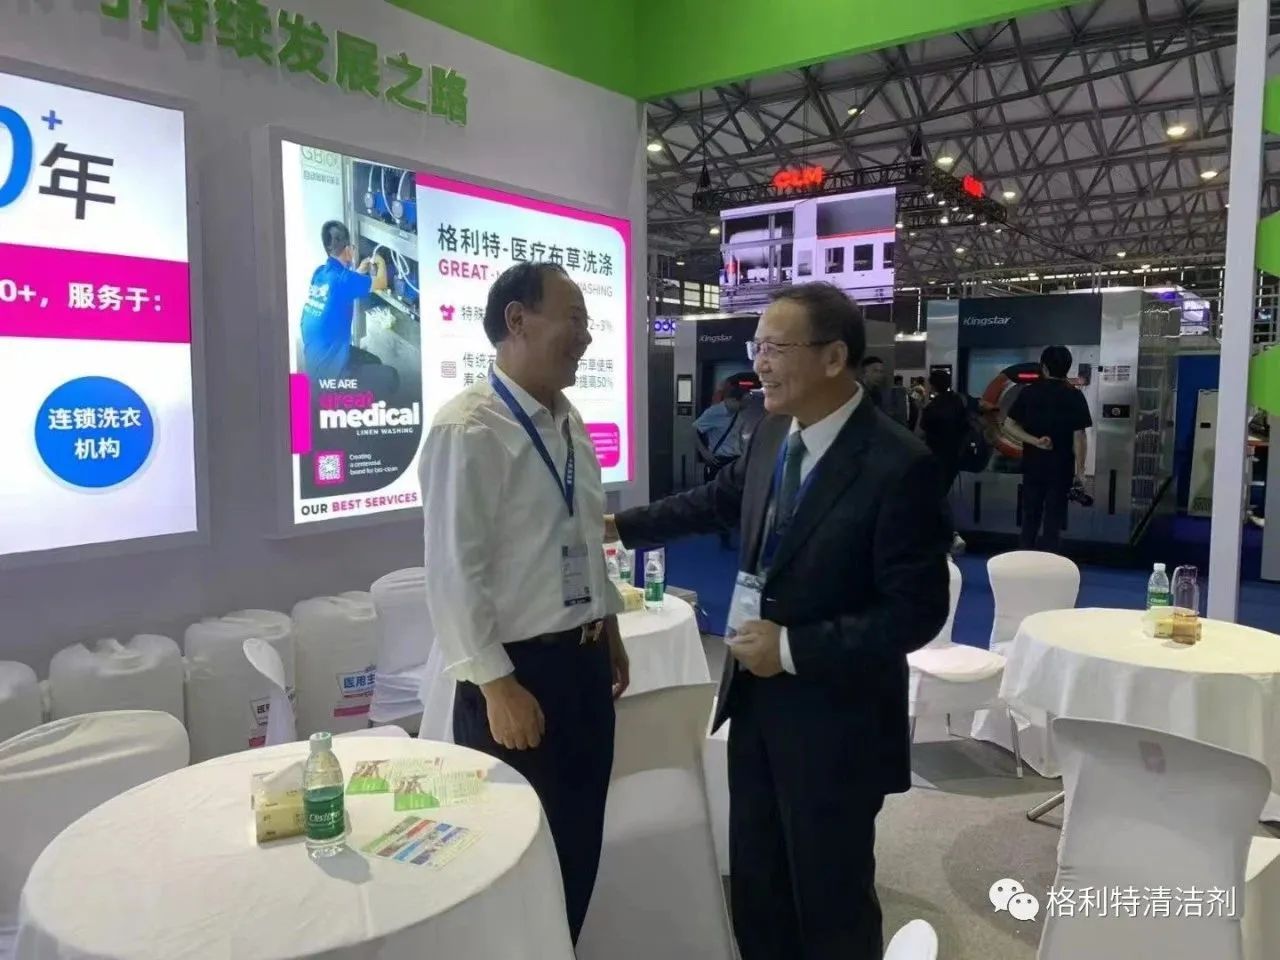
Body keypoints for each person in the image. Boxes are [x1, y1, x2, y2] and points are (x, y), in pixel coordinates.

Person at [606, 282, 951, 960]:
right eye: (756, 347)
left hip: (838, 720)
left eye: (775, 347)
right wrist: (620, 525)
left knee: (829, 901)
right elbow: (717, 500)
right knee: (759, 887)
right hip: (757, 702)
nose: (759, 363)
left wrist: (793, 648)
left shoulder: (899, 465)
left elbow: (916, 611)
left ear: (833, 358)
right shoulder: (772, 432)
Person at [417, 261, 630, 943]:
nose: (586, 337)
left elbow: (580, 537)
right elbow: (454, 572)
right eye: (574, 319)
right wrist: (496, 685)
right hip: (518, 679)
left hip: (582, 669)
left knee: (576, 846)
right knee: (516, 861)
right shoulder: (470, 428)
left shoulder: (568, 422)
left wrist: (606, 623)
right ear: (517, 320)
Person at [1003, 345, 1093, 552]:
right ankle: (1049, 563)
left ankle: (1024, 559)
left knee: (1030, 518)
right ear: (1067, 367)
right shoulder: (1074, 395)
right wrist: (1081, 472)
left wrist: (1035, 441)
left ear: (1043, 367)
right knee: (1053, 520)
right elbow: (1079, 436)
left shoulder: (1029, 392)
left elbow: (1009, 425)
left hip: (1033, 465)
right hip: (1061, 467)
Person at [300, 220, 392, 385]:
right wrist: (381, 261)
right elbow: (382, 282)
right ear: (348, 249)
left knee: (374, 360)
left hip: (315, 362)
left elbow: (341, 288)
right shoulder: (345, 280)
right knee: (391, 377)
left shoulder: (319, 273)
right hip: (331, 377)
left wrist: (359, 271)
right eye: (353, 248)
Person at [694, 377, 747, 476]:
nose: (743, 408)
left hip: (736, 460)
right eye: (741, 405)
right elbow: (693, 430)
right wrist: (704, 452)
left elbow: (738, 436)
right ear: (733, 400)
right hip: (719, 460)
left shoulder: (738, 415)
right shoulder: (715, 412)